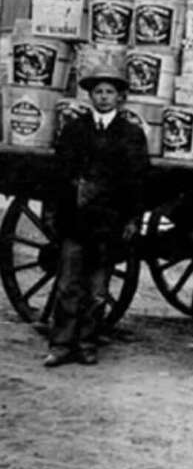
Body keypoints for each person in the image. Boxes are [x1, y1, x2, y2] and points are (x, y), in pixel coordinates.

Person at [43, 64, 150, 367]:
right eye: (98, 92)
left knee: (98, 290)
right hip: (75, 220)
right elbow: (60, 174)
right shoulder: (75, 129)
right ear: (90, 96)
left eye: (110, 92)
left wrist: (131, 219)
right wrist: (57, 210)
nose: (103, 98)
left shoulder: (130, 134)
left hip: (108, 223)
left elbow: (137, 180)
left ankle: (87, 344)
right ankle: (61, 345)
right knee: (67, 286)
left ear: (120, 98)